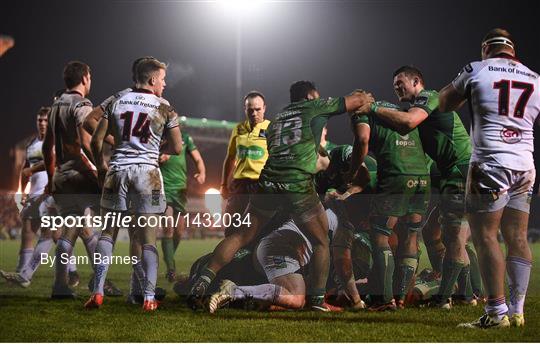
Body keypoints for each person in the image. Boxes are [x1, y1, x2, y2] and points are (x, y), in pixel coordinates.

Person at [188, 81, 374, 311]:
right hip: (295, 183)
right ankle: (316, 302)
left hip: (267, 181)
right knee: (321, 242)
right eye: (316, 98)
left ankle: (204, 279)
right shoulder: (314, 108)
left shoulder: (278, 118)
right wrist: (366, 98)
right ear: (308, 98)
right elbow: (357, 100)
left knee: (242, 235)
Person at [439, 28, 540, 328]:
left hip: (490, 164)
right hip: (525, 164)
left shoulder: (477, 68)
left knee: (485, 236)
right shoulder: (535, 77)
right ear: (511, 49)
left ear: (486, 48)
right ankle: (518, 311)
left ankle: (497, 314)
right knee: (518, 237)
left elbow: (444, 103)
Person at [367, 66, 472, 308]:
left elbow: (407, 122)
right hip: (451, 173)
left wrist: (371, 107)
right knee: (437, 232)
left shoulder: (429, 97)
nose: (396, 87)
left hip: (460, 170)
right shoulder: (420, 111)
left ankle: (449, 298)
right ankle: (468, 295)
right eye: (394, 84)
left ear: (416, 81)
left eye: (400, 82)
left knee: (453, 235)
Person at [86, 57, 182, 312]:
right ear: (152, 80)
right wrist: (154, 146)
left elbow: (95, 141)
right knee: (148, 237)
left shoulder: (117, 100)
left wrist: (101, 167)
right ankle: (149, 298)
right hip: (148, 174)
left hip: (117, 172)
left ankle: (97, 292)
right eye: (162, 79)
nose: (164, 83)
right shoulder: (164, 107)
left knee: (108, 234)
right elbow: (177, 147)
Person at [351, 100, 430, 310]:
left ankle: (385, 300)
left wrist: (353, 170)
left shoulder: (362, 112)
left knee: (380, 234)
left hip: (396, 176)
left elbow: (362, 139)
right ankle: (401, 298)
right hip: (422, 177)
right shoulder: (399, 111)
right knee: (411, 235)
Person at [0, 108, 78, 287]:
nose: (42, 123)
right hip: (34, 195)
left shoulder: (57, 142)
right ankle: (22, 273)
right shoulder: (31, 145)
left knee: (54, 234)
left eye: (45, 120)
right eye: (39, 120)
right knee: (28, 233)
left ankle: (71, 271)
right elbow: (25, 171)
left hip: (51, 194)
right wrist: (23, 192)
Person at [43, 61, 102, 299]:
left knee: (74, 228)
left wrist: (50, 178)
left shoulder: (55, 106)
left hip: (61, 176)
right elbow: (86, 141)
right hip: (79, 175)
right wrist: (101, 169)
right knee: (114, 219)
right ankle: (100, 282)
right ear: (85, 78)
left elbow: (48, 148)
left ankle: (62, 285)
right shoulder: (82, 104)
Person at [159, 128, 206, 282]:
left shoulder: (185, 138)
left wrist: (202, 173)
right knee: (168, 228)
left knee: (179, 231)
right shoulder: (156, 135)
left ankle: (169, 258)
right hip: (160, 187)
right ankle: (171, 269)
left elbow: (198, 159)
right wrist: (158, 157)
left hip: (180, 189)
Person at [221, 91, 269, 228]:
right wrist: (223, 184)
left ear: (264, 108)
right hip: (239, 185)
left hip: (260, 185)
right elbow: (230, 158)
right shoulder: (238, 129)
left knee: (258, 228)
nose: (254, 113)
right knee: (231, 226)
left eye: (258, 109)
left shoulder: (271, 129)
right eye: (250, 110)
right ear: (245, 109)